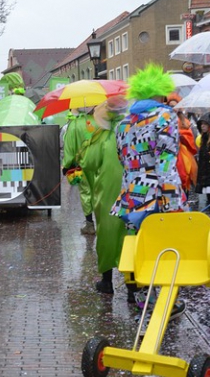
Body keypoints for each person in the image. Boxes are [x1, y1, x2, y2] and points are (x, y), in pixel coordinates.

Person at [111, 63, 187, 316]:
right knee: (167, 247)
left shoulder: (123, 123)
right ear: (160, 94)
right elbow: (166, 160)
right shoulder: (165, 116)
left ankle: (145, 297)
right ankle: (165, 302)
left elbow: (123, 159)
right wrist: (173, 200)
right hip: (158, 193)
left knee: (143, 246)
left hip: (132, 195)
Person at [63, 98, 128, 296]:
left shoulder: (102, 134)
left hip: (107, 187)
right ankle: (134, 286)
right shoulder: (133, 129)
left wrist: (76, 159)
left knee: (107, 231)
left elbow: (88, 161)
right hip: (133, 189)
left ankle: (107, 281)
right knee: (130, 234)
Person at [62, 110, 95, 235]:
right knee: (100, 192)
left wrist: (66, 165)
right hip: (101, 163)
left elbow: (69, 148)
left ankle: (90, 224)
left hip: (82, 165)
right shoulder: (100, 122)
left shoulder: (74, 125)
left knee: (86, 192)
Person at [195, 110, 210, 220]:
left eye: (205, 124)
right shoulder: (204, 139)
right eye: (201, 124)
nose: (202, 126)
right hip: (207, 178)